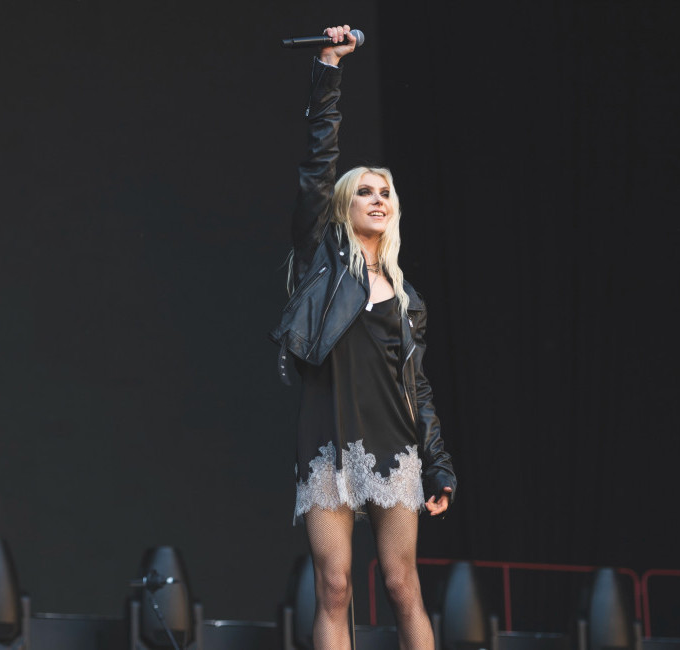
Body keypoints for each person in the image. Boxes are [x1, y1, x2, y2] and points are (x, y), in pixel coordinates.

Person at [269, 25, 458, 650]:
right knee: (334, 586)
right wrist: (329, 66)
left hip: (393, 443)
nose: (378, 200)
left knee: (403, 584)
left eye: (386, 193)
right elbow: (316, 165)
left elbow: (417, 388)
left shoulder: (407, 300)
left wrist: (439, 465)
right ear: (344, 206)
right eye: (365, 193)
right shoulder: (322, 265)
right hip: (326, 438)